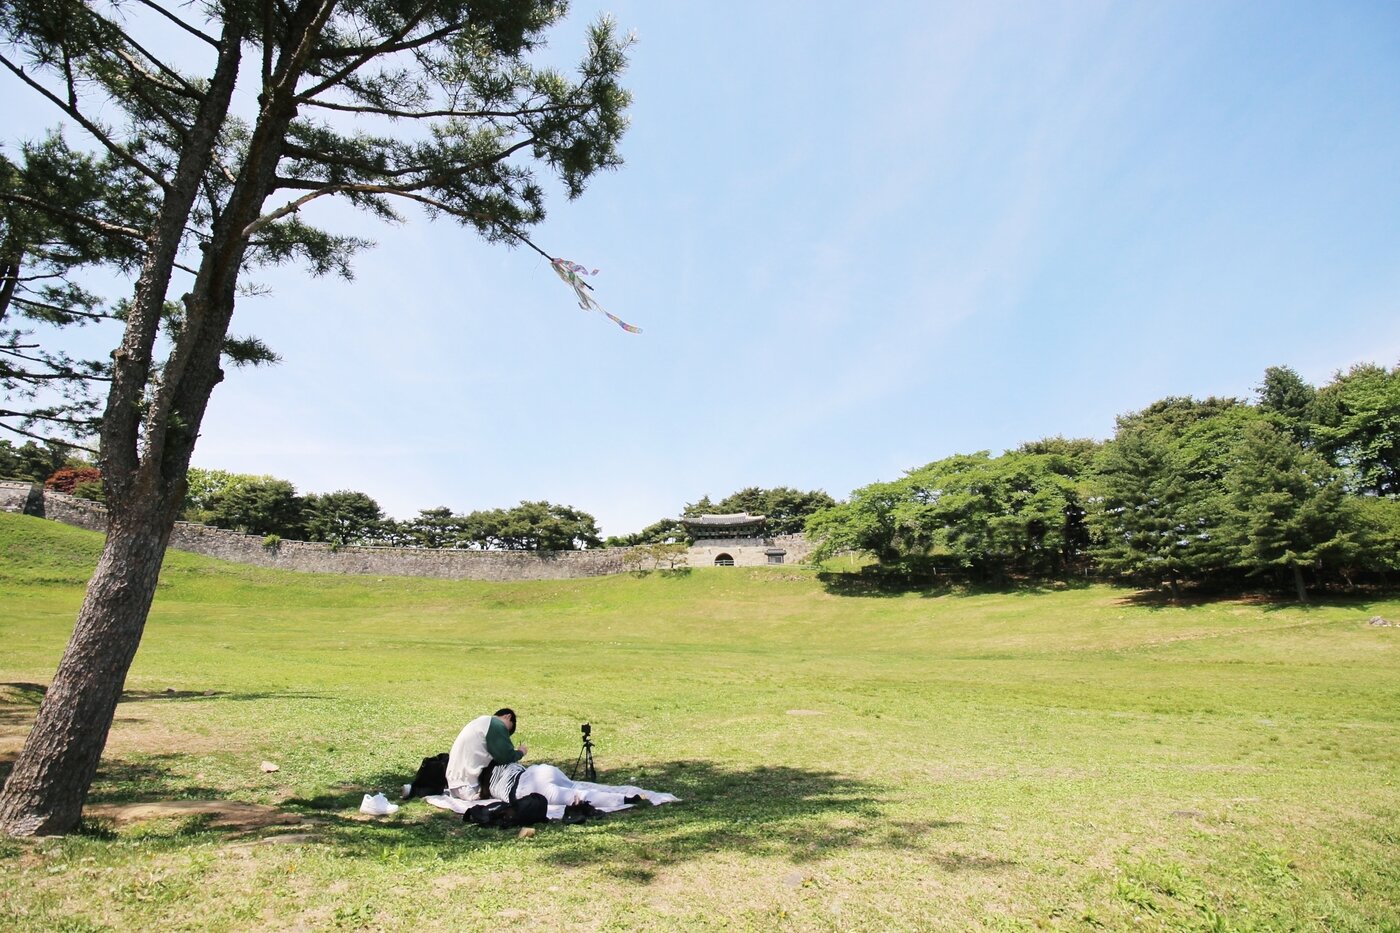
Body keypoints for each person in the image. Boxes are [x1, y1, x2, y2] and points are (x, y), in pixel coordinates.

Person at [445, 708, 527, 801]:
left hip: (455, 783)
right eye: (507, 730)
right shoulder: (496, 724)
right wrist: (521, 752)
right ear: (508, 716)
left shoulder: (481, 722)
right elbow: (506, 757)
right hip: (470, 786)